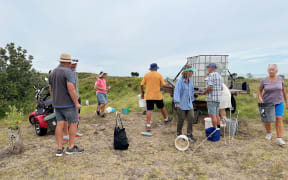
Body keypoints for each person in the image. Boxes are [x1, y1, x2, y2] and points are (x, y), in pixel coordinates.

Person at [49, 53, 84, 157]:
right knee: (73, 123)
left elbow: (51, 89)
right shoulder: (68, 72)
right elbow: (71, 88)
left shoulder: (53, 72)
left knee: (59, 123)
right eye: (70, 63)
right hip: (68, 104)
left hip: (56, 104)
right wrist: (76, 103)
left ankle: (59, 149)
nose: (70, 65)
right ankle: (71, 147)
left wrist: (54, 100)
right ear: (67, 62)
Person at [258, 64, 288, 145]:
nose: (271, 71)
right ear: (268, 70)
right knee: (267, 120)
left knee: (279, 118)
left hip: (279, 102)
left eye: (273, 69)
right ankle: (269, 132)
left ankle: (279, 138)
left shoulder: (280, 79)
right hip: (267, 103)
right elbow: (259, 90)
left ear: (276, 70)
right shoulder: (264, 80)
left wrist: (286, 101)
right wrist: (260, 98)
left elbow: (283, 91)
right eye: (270, 69)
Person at [141, 63, 173, 130]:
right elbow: (164, 85)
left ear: (150, 69)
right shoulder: (159, 75)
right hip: (157, 96)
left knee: (149, 110)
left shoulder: (146, 75)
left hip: (149, 96)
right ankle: (166, 119)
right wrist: (170, 86)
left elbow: (141, 85)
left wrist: (143, 93)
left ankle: (148, 125)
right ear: (156, 68)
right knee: (162, 107)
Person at [174, 65, 197, 141]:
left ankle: (189, 134)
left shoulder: (190, 80)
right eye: (191, 71)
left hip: (189, 103)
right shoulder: (180, 82)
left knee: (191, 118)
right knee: (181, 119)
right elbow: (176, 93)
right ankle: (179, 133)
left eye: (192, 71)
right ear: (187, 72)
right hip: (181, 104)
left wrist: (193, 99)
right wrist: (177, 105)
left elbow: (191, 91)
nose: (192, 73)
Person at [63, 59, 83, 142]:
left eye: (75, 64)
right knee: (67, 117)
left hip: (76, 96)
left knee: (75, 116)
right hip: (68, 98)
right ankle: (66, 135)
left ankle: (73, 132)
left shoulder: (75, 73)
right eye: (73, 64)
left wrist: (77, 97)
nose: (74, 66)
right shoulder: (66, 73)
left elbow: (76, 86)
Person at [201, 63, 223, 129]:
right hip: (218, 98)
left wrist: (204, 92)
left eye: (209, 67)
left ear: (213, 68)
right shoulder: (220, 76)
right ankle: (218, 129)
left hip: (211, 98)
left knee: (212, 116)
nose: (208, 69)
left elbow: (210, 87)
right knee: (217, 115)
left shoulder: (211, 75)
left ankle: (214, 130)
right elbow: (221, 88)